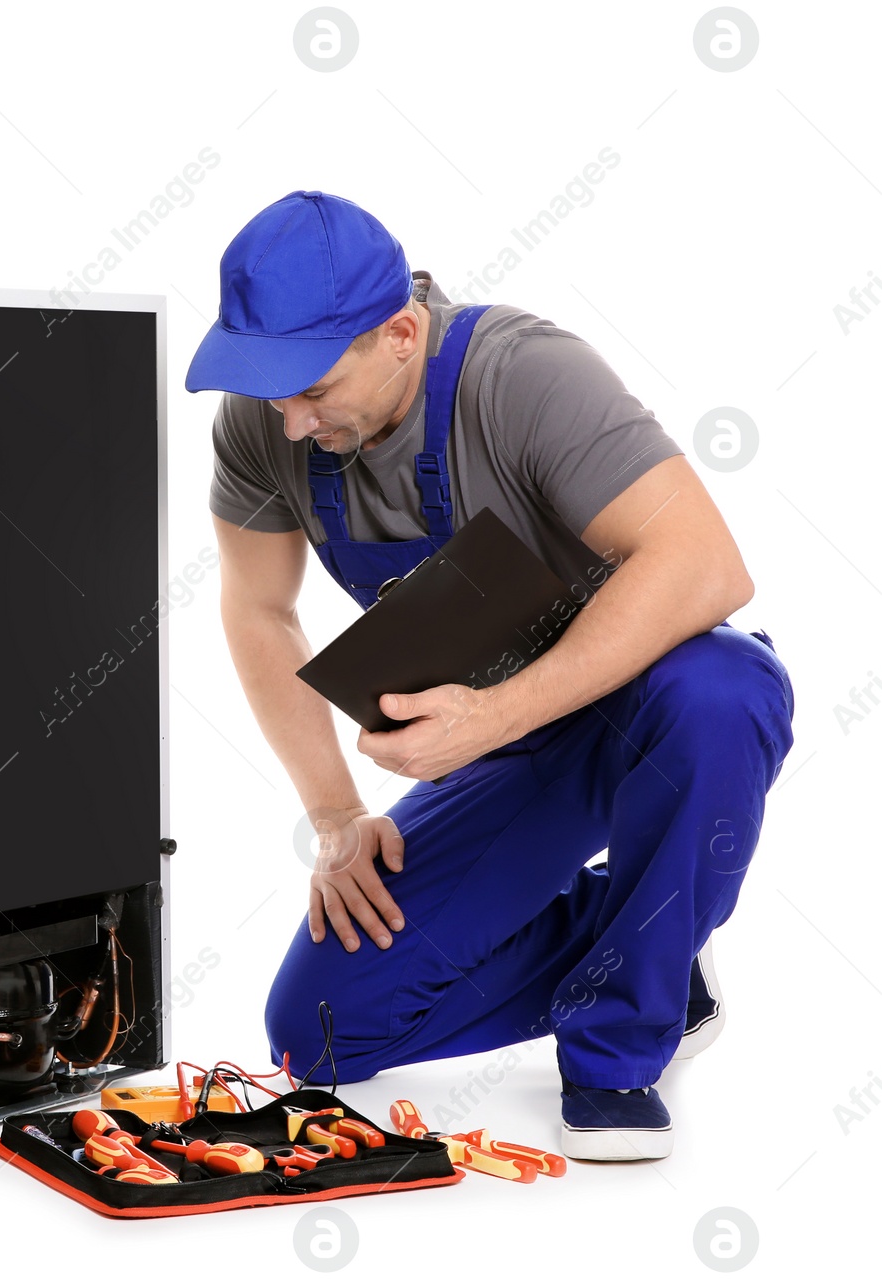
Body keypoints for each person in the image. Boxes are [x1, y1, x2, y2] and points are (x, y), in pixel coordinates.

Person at [185, 190, 795, 1160]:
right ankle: (655, 951)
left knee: (717, 690)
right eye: (268, 388)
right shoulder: (264, 427)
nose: (290, 421)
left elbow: (704, 562)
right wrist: (340, 816)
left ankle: (617, 1052)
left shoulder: (523, 374)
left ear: (397, 331)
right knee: (321, 1030)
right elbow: (259, 608)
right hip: (515, 749)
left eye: (310, 386)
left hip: (651, 707)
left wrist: (495, 709)